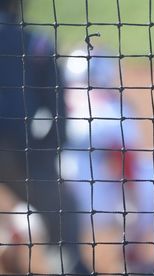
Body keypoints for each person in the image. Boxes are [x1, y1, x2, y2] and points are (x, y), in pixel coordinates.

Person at [61, 48, 154, 272]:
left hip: (56, 206)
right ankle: (131, 249)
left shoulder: (55, 103)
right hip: (95, 208)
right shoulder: (114, 110)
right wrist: (133, 210)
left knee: (43, 187)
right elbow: (124, 162)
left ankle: (17, 233)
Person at [0, 1, 86, 273]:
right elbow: (58, 112)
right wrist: (43, 155)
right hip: (15, 147)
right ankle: (68, 268)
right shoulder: (34, 42)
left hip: (14, 146)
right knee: (63, 211)